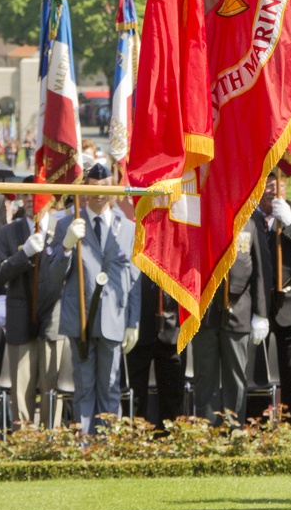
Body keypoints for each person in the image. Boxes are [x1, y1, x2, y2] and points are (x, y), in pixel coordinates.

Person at [37, 162, 141, 434]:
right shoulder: (68, 225)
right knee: (83, 388)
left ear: (113, 188)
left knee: (110, 386)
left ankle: (107, 445)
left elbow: (134, 281)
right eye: (92, 188)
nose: (98, 194)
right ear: (83, 189)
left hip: (113, 319)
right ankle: (85, 446)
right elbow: (52, 277)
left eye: (104, 188)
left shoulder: (128, 227)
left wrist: (133, 322)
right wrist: (67, 245)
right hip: (80, 319)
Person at [0, 192, 68, 426]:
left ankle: (51, 439)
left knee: (51, 384)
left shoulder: (62, 228)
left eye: (37, 195)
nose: (31, 200)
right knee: (22, 384)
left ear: (50, 199)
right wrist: (24, 253)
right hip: (20, 312)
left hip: (53, 312)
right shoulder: (9, 232)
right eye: (27, 196)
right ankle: (24, 443)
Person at [192, 212, 269, 426]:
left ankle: (234, 432)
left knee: (236, 378)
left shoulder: (251, 220)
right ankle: (207, 434)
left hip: (239, 308)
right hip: (204, 311)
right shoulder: (199, 214)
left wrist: (260, 312)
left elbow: (261, 268)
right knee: (204, 377)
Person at [253, 174, 291, 423]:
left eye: (277, 184)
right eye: (267, 185)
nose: (273, 190)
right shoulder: (248, 214)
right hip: (257, 307)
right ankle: (255, 428)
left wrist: (289, 223)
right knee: (255, 376)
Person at [125, 273, 186, 429]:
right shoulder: (135, 248)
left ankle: (170, 440)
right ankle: (136, 441)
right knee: (135, 395)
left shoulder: (178, 248)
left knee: (173, 394)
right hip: (139, 328)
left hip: (173, 328)